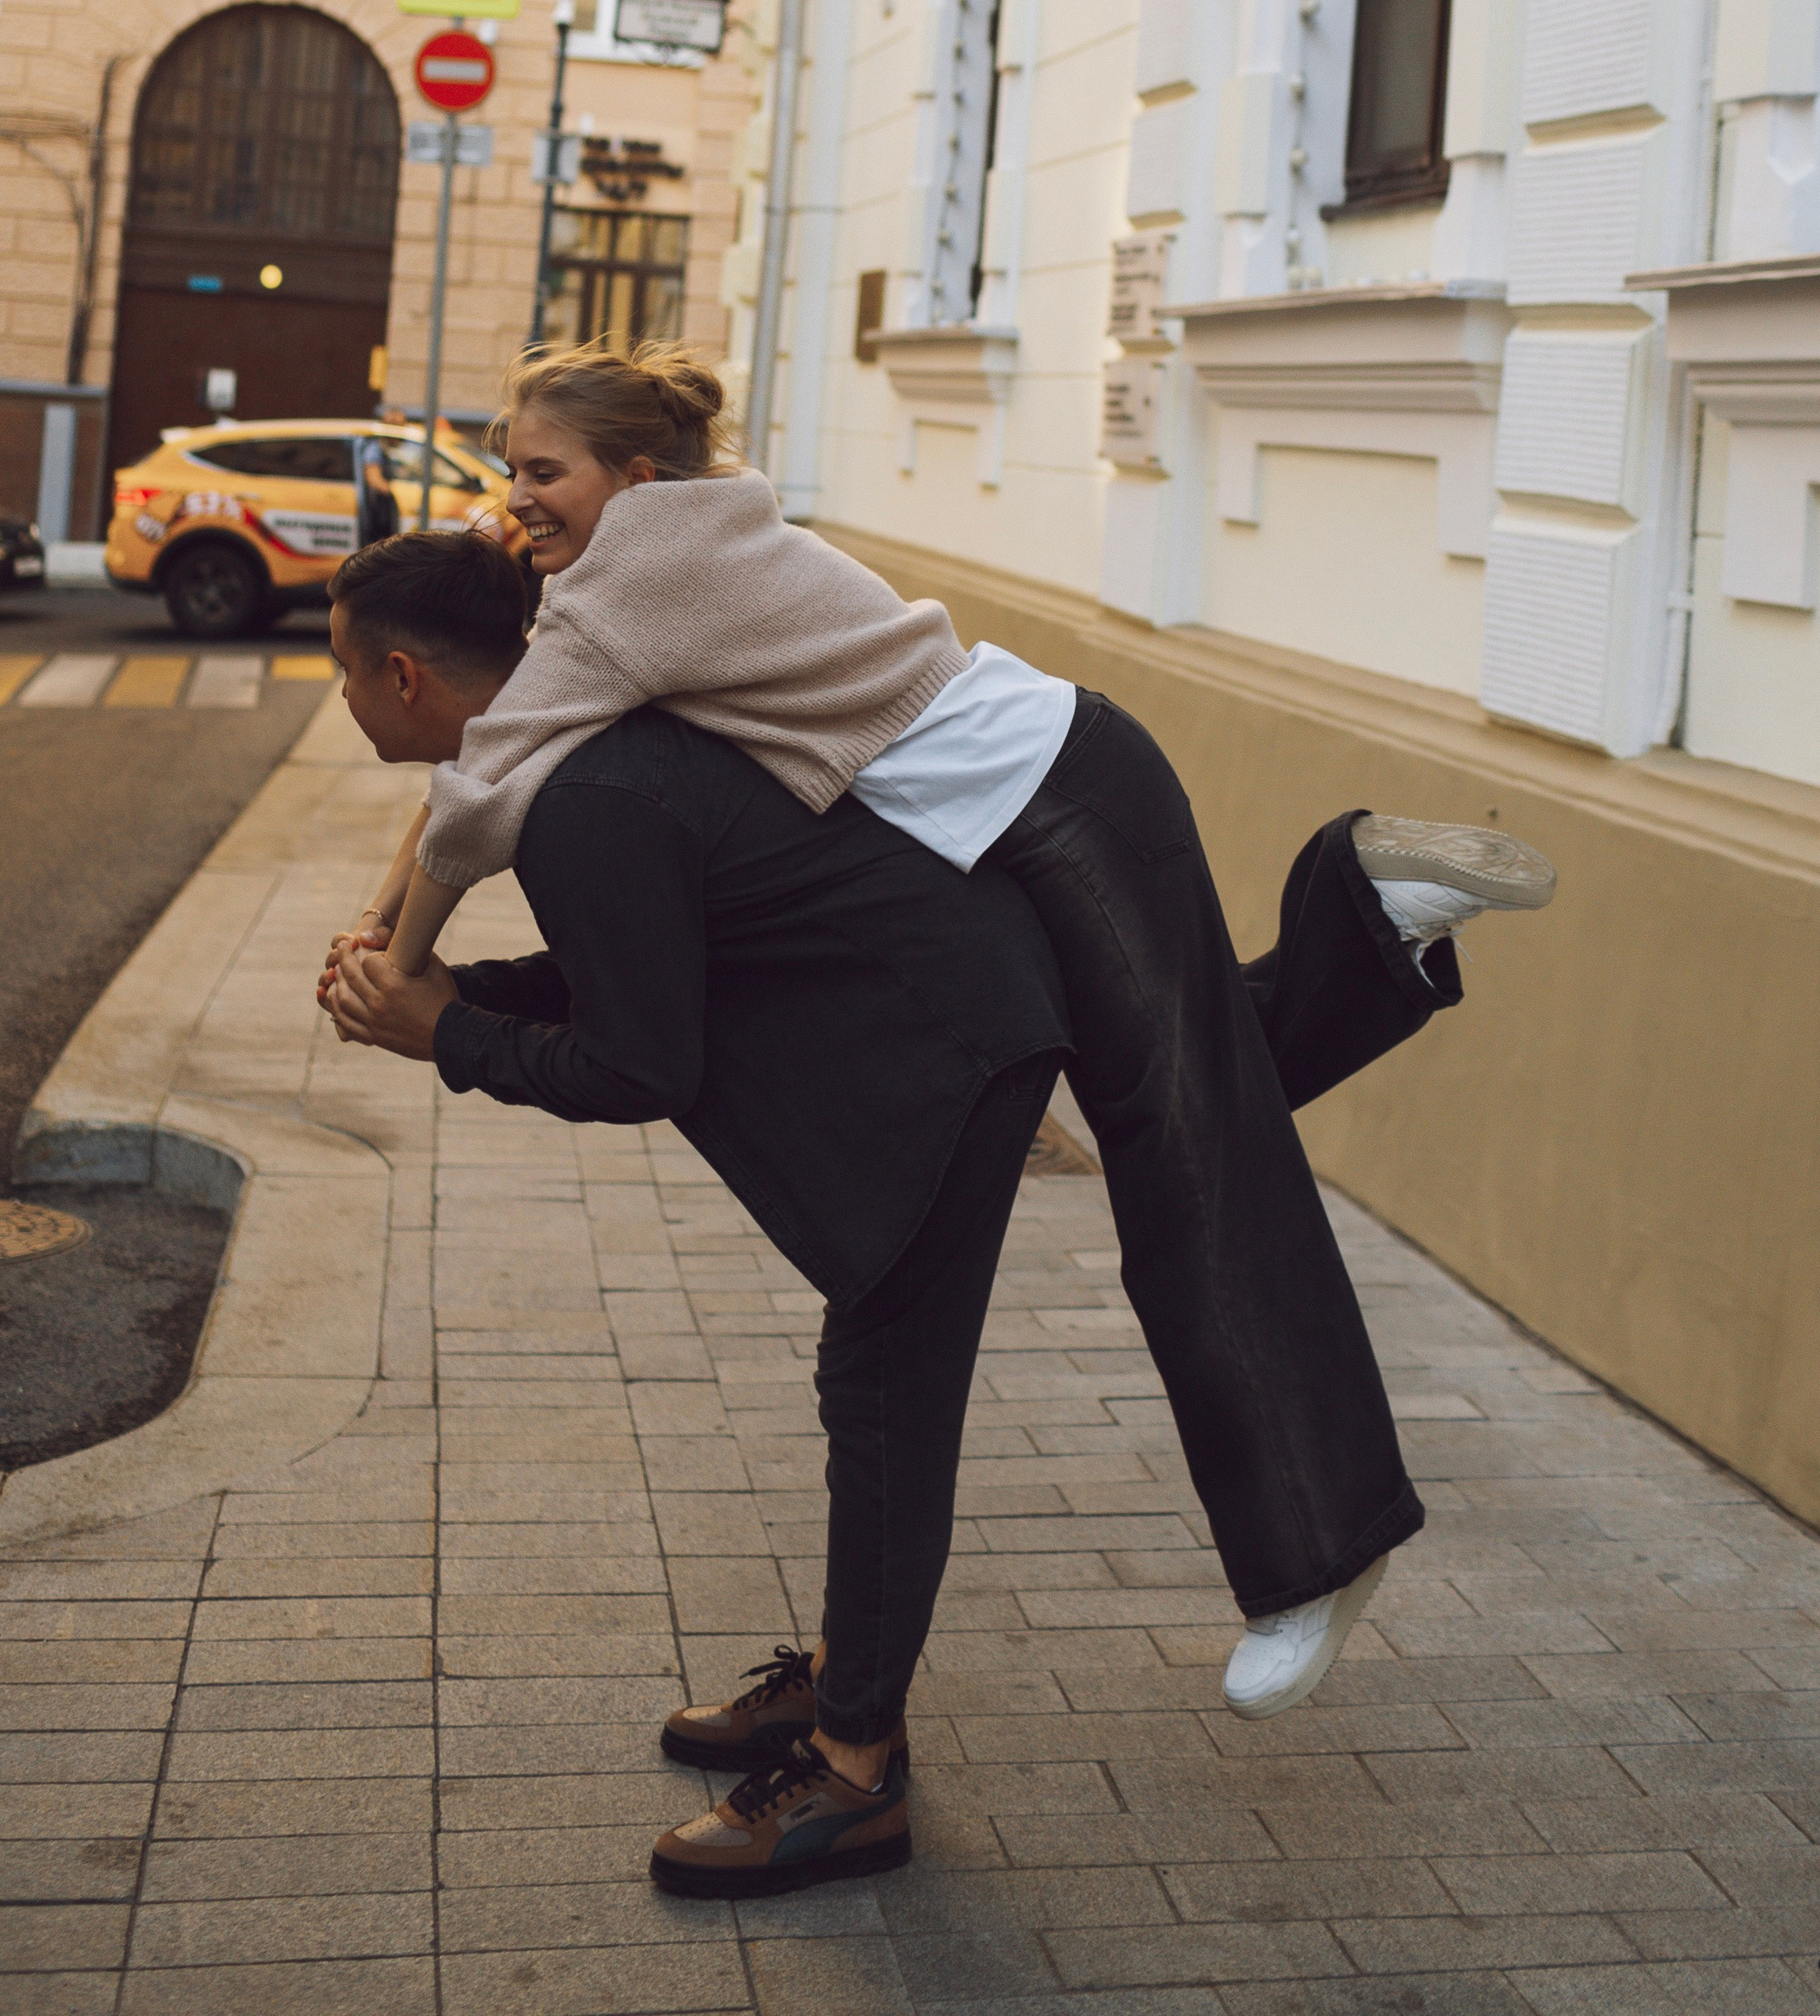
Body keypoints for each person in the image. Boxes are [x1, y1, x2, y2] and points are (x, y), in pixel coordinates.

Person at [334, 342, 1556, 1728]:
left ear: (641, 478)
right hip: (1018, 810)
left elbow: (478, 787)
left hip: (1053, 795)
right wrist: (391, 940)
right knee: (1188, 1090)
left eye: (543, 470)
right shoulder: (658, 557)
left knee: (1186, 1161)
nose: (517, 499)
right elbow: (489, 762)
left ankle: (1319, 1550)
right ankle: (1372, 922)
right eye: (508, 470)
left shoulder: (626, 585)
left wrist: (400, 963)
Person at [324, 527, 1062, 1897]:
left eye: (342, 674)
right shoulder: (574, 770)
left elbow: (638, 1063)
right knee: (872, 1389)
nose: (344, 698)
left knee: (888, 1398)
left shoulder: (583, 796)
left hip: (941, 1061)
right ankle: (851, 1676)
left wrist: (448, 1038)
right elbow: (642, 953)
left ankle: (854, 1776)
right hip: (925, 1033)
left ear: (409, 677)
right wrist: (461, 997)